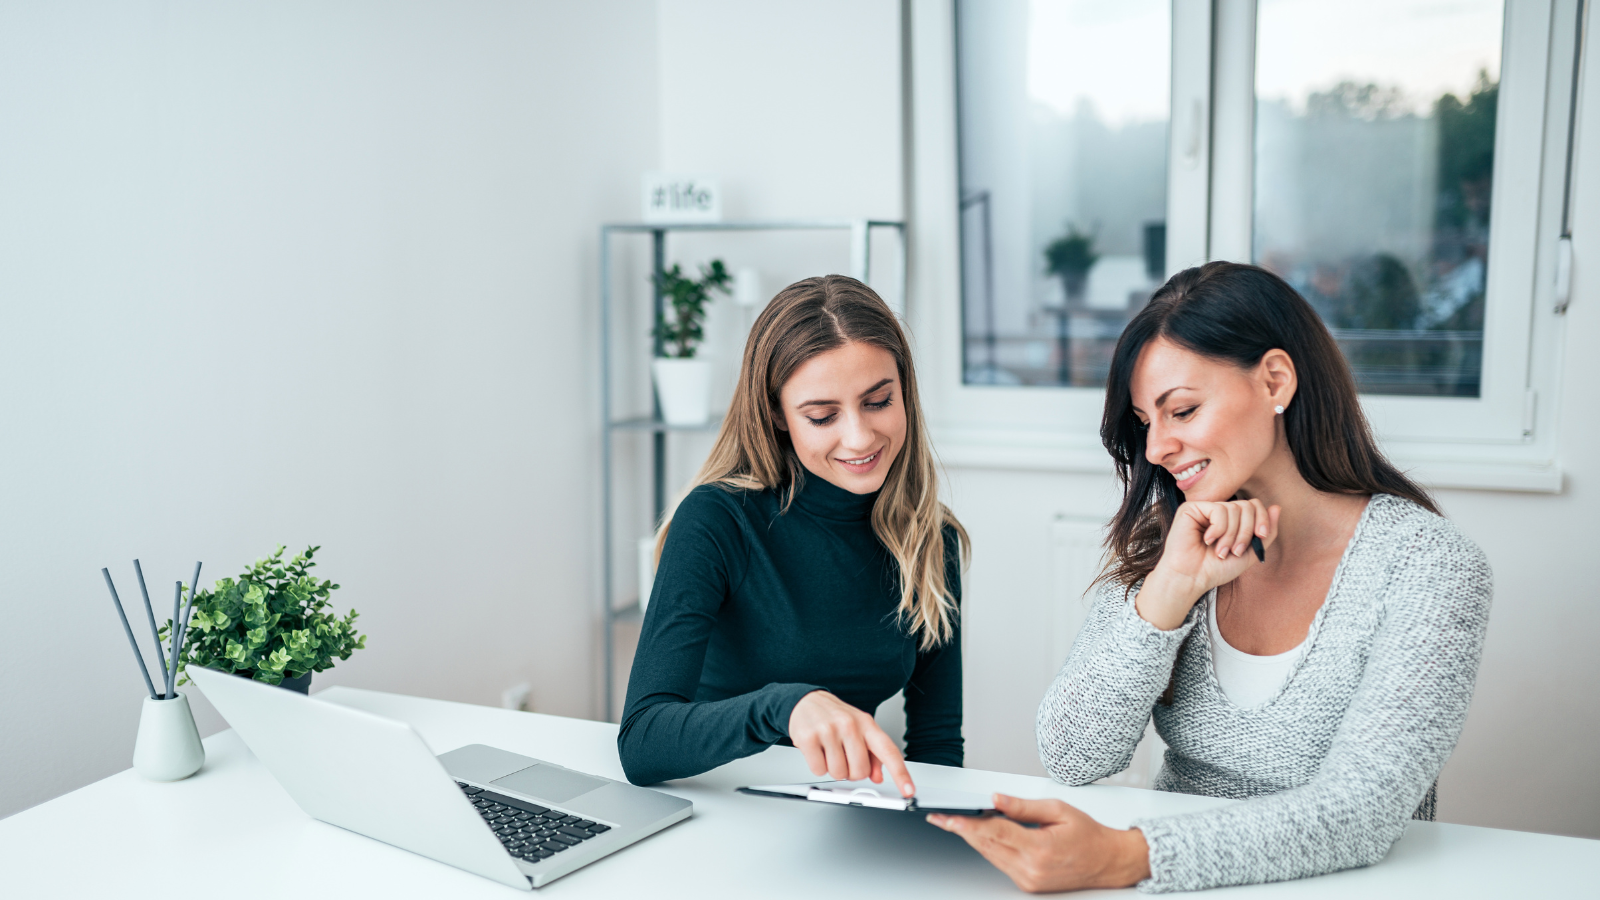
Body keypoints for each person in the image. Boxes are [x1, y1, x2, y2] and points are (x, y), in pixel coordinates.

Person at [928, 262, 1491, 893]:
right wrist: (1168, 592)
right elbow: (1072, 753)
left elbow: (1360, 812)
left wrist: (1129, 857)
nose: (1156, 449)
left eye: (1183, 410)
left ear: (1275, 379)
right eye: (1145, 423)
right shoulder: (1174, 542)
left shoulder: (1428, 564)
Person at [618, 274, 968, 797]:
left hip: (841, 818)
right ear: (777, 415)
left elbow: (937, 742)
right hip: (715, 807)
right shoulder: (716, 520)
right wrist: (784, 706)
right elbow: (642, 742)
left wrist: (930, 833)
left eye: (878, 402)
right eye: (823, 415)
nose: (859, 436)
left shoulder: (927, 536)